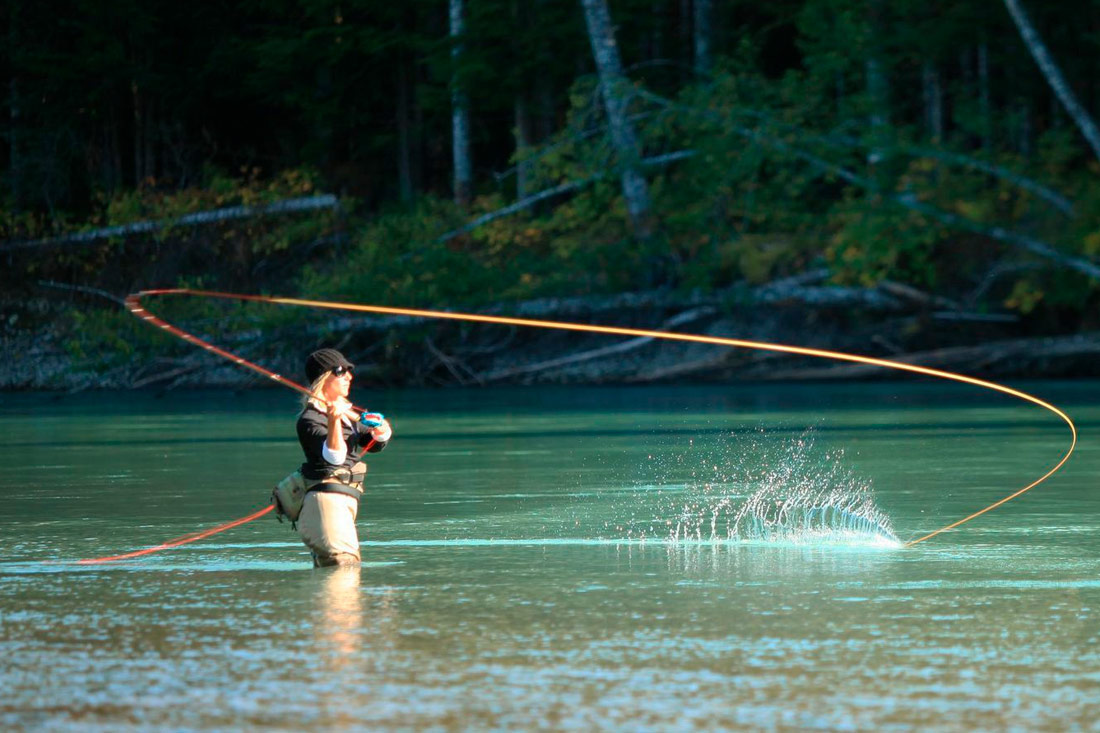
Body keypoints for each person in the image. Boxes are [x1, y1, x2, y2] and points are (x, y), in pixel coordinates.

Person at [295, 348, 392, 567]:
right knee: (343, 567)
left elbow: (374, 444)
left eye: (349, 370)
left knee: (339, 570)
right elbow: (335, 458)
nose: (349, 376)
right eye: (340, 371)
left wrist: (381, 428)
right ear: (323, 378)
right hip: (326, 502)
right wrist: (333, 421)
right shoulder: (310, 419)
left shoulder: (347, 416)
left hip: (345, 502)